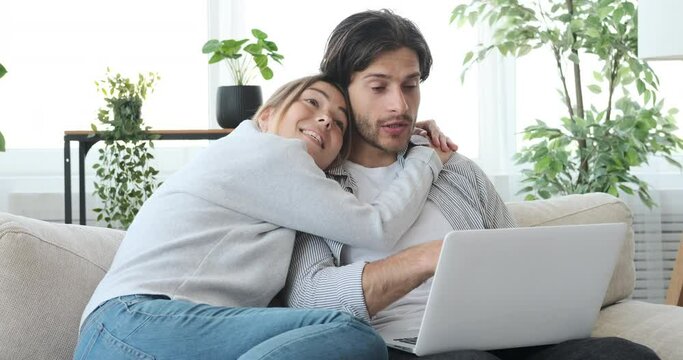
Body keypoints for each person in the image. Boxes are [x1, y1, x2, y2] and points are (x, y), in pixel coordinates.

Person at [283, 10, 661, 360]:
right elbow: (307, 299)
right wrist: (426, 259)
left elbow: (518, 260)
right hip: (397, 347)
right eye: (378, 87)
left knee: (625, 354)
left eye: (410, 85)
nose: (400, 105)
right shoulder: (316, 182)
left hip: (503, 341)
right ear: (342, 91)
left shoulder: (456, 170)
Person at [73, 74, 452, 360]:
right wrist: (426, 157)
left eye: (339, 124)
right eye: (312, 103)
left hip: (140, 331)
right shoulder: (269, 153)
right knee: (350, 334)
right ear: (267, 116)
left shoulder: (282, 189)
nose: (325, 121)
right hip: (135, 323)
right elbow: (378, 227)